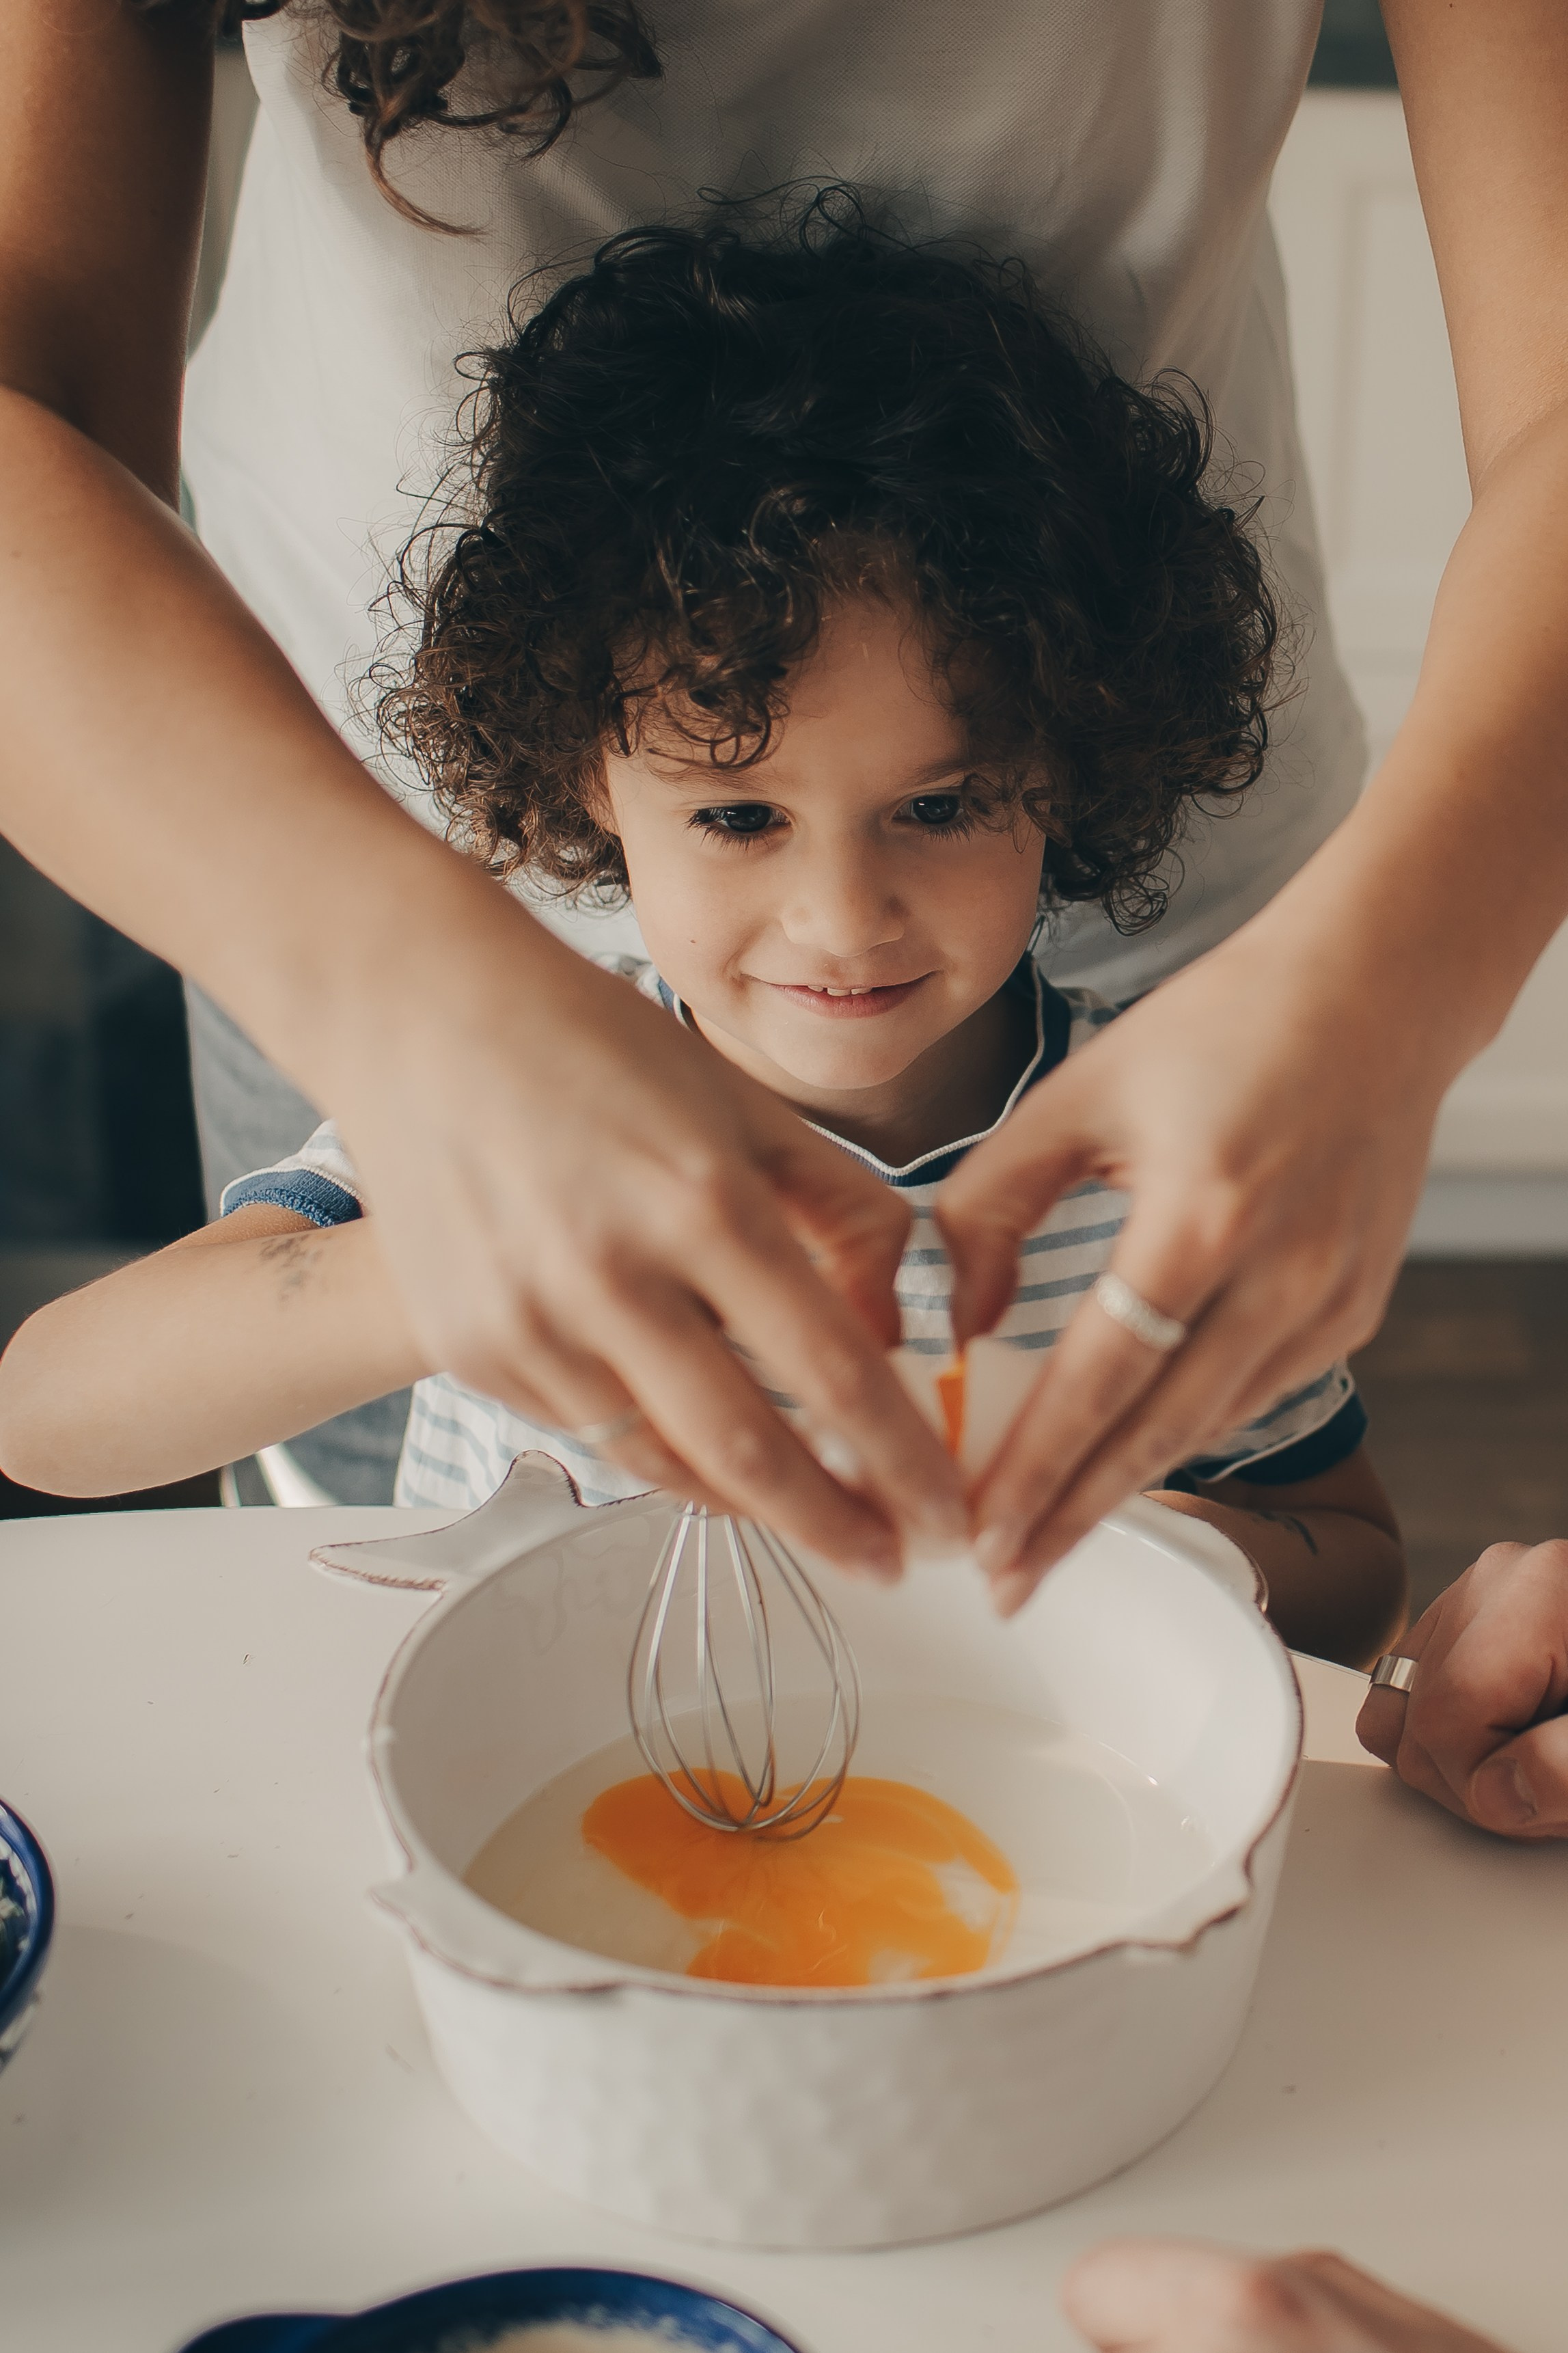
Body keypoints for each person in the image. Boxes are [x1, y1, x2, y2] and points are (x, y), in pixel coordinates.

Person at [4, 4, 1567, 1600]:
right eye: (741, 816)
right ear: (580, 788)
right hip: (303, 797)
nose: (839, 918)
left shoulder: (1123, 1199)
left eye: (942, 806)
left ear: (1062, 775)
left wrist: (1404, 984)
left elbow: (1337, 1560)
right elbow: (49, 1420)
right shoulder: (415, 1159)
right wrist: (429, 1271)